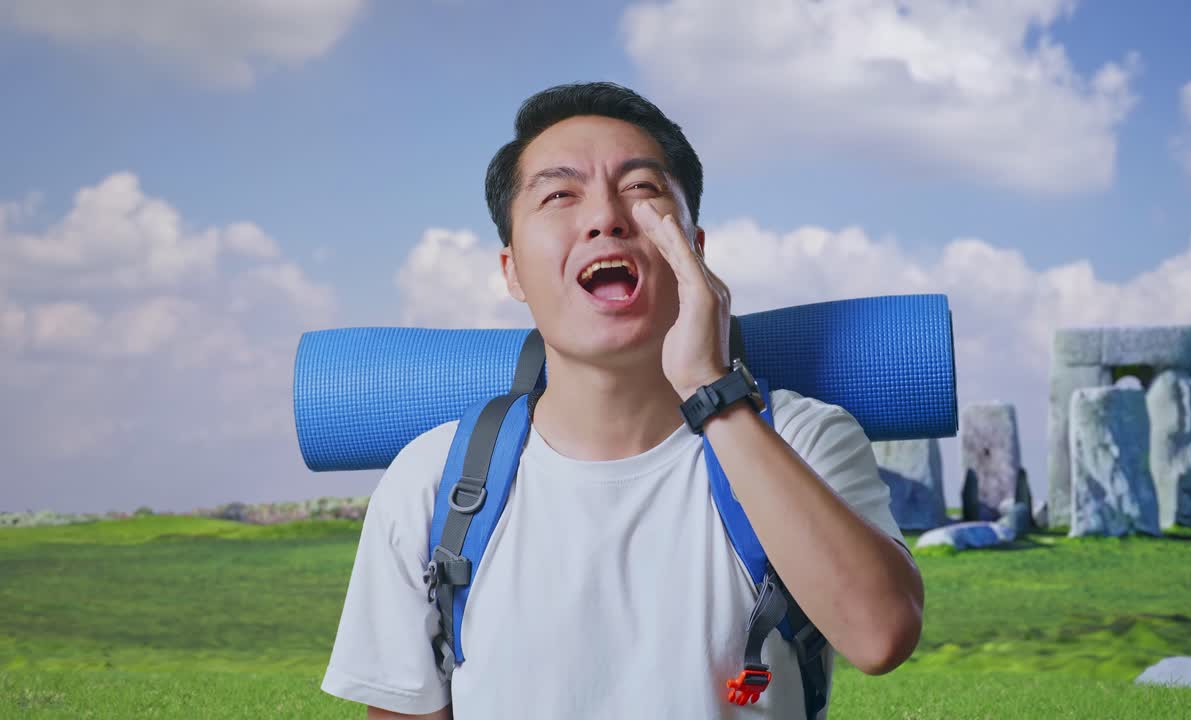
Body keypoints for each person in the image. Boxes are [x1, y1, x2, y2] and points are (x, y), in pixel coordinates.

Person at [321, 81, 924, 719]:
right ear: (513, 272)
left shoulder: (804, 438)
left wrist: (712, 392)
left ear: (693, 248)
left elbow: (880, 635)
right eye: (558, 195)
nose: (605, 217)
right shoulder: (433, 480)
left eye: (642, 189)